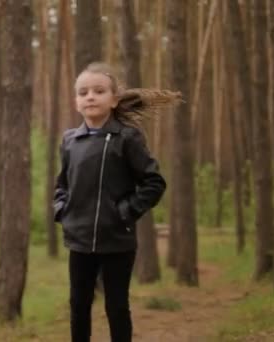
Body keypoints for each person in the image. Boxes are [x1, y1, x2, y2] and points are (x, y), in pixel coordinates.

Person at [53, 62, 181, 342]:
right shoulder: (70, 141)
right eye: (83, 92)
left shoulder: (127, 138)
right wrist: (63, 211)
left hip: (117, 241)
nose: (90, 96)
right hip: (79, 240)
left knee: (117, 307)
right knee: (78, 306)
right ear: (76, 102)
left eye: (99, 91)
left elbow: (154, 183)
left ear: (113, 100)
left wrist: (124, 213)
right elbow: (61, 184)